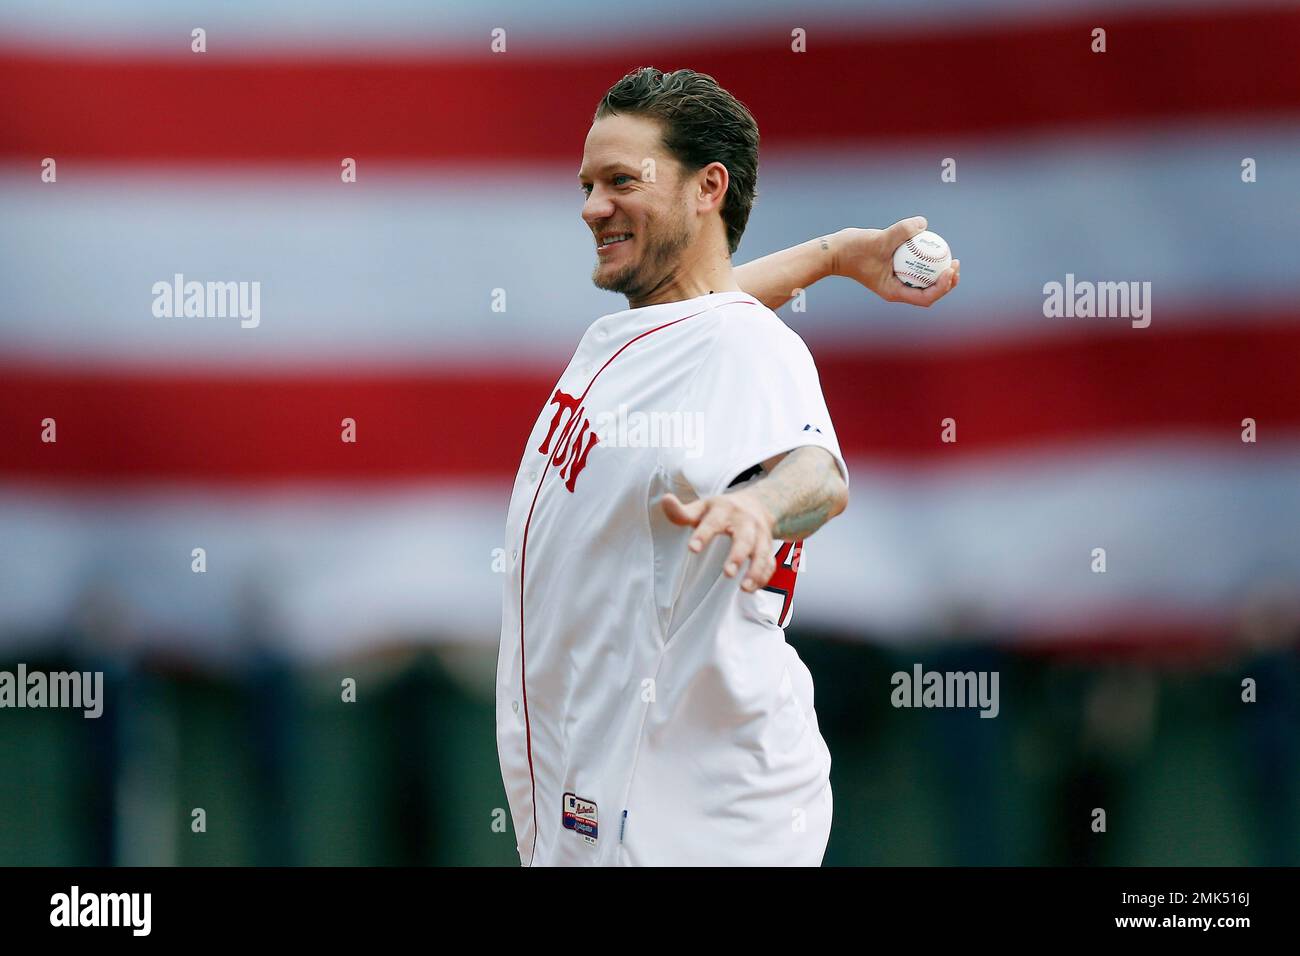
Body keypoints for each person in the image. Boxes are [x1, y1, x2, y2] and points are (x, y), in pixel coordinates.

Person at [496, 66, 959, 866]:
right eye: (586, 183)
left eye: (620, 180)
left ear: (709, 186)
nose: (591, 206)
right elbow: (706, 310)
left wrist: (760, 507)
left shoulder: (748, 349)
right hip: (627, 803)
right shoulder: (674, 334)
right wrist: (830, 256)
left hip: (690, 824)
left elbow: (819, 471)